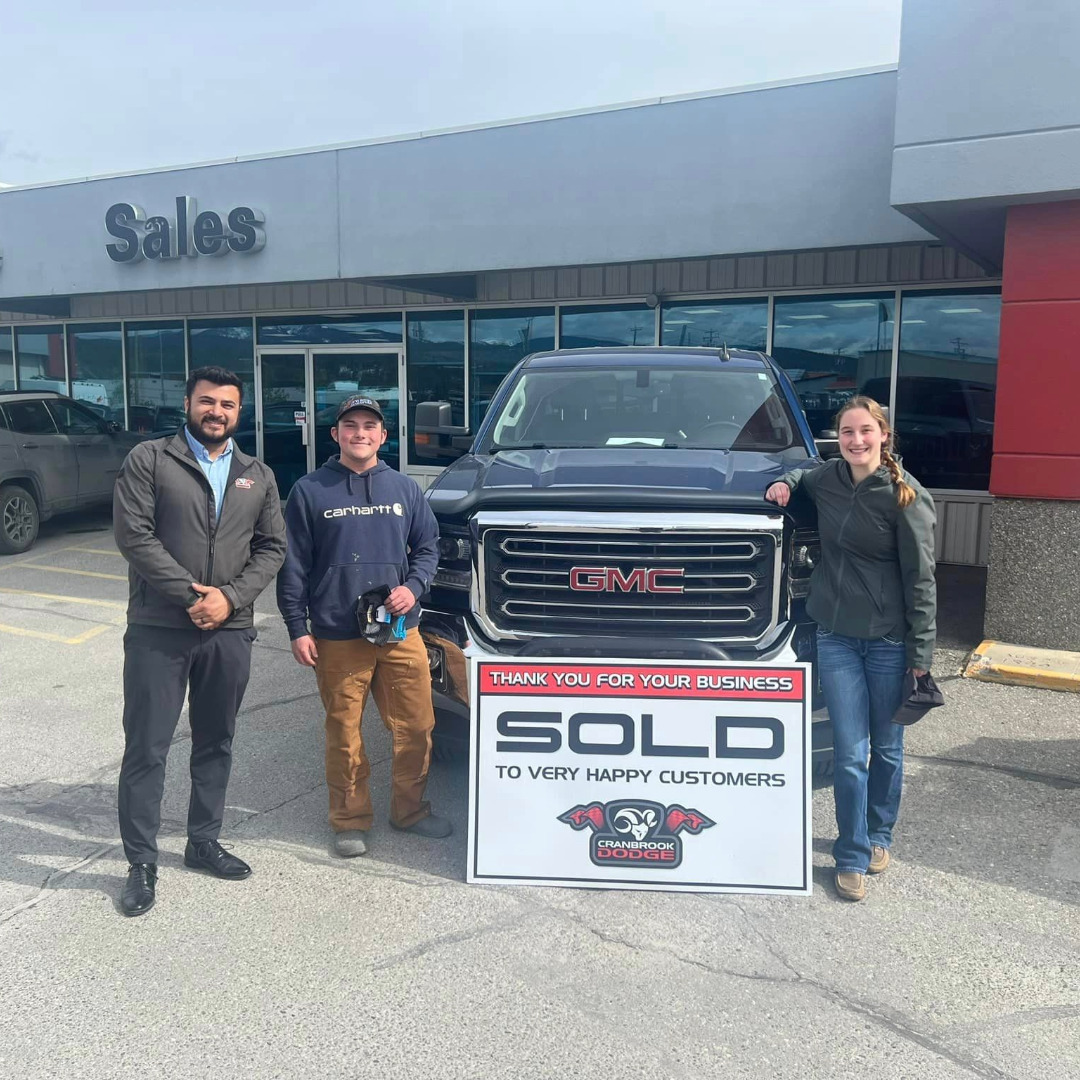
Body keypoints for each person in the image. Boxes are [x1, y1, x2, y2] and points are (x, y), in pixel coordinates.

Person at [113, 366, 286, 916]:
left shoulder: (256, 473)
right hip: (159, 629)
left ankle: (202, 841)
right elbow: (133, 535)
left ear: (240, 412)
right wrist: (193, 595)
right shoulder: (151, 459)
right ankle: (142, 861)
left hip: (229, 632)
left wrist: (229, 599)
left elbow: (272, 548)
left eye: (228, 405)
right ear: (188, 403)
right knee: (147, 747)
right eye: (207, 402)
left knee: (217, 740)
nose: (217, 412)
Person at [765, 395, 936, 902]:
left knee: (886, 748)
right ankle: (852, 853)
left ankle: (879, 833)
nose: (856, 441)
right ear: (836, 439)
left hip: (887, 643)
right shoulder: (830, 480)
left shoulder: (907, 497)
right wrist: (784, 483)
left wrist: (921, 656)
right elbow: (801, 474)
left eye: (866, 431)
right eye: (846, 433)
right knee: (849, 752)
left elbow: (922, 581)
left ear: (884, 435)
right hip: (836, 637)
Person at [276, 395, 446, 857]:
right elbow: (293, 565)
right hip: (337, 633)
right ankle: (350, 820)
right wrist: (297, 625)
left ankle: (410, 810)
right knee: (344, 731)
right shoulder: (311, 491)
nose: (360, 433)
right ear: (335, 435)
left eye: (369, 425)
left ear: (383, 436)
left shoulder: (405, 490)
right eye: (350, 425)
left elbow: (429, 547)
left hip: (398, 630)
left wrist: (414, 586)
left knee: (416, 725)